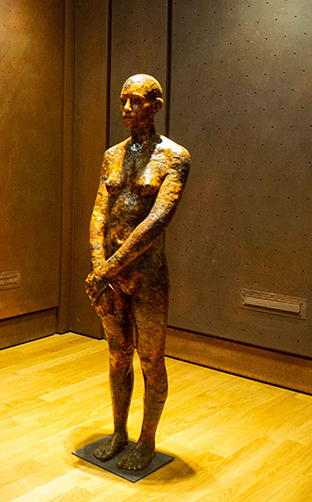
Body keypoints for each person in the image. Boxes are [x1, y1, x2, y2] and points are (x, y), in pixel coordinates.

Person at [85, 74, 190, 471]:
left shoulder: (175, 157)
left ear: (156, 106)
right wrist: (99, 267)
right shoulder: (112, 155)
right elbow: (99, 212)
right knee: (116, 356)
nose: (127, 109)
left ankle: (147, 440)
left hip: (147, 276)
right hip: (110, 277)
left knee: (150, 359)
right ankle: (119, 432)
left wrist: (107, 269)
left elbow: (157, 221)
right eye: (123, 100)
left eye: (136, 101)